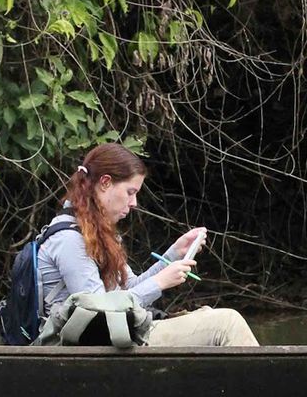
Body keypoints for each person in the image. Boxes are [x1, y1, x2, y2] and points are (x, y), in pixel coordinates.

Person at [37, 143, 258, 346]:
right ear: (105, 183)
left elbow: (129, 289)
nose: (134, 203)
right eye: (130, 192)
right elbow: (100, 312)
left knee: (210, 316)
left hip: (112, 339)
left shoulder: (98, 232)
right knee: (226, 323)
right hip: (87, 347)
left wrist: (172, 256)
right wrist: (160, 282)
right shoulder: (69, 239)